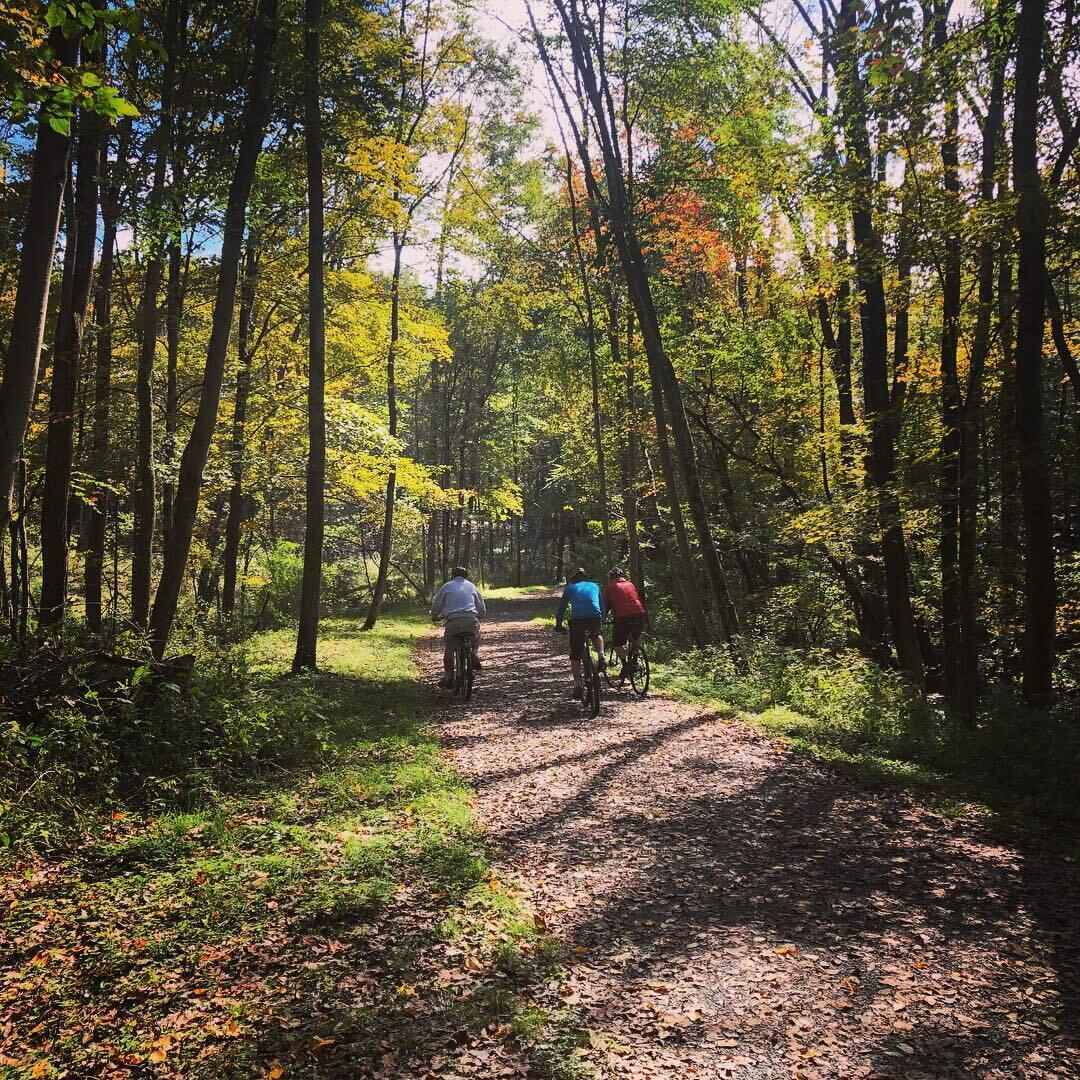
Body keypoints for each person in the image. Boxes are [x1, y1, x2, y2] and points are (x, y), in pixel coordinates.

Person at [554, 567, 606, 700]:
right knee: (596, 634)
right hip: (595, 617)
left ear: (574, 579)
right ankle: (601, 655)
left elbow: (561, 609)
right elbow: (602, 605)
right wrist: (602, 620)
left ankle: (578, 684)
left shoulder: (570, 588)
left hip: (578, 620)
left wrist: (559, 625)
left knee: (575, 654)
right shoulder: (595, 585)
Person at [431, 567, 485, 689]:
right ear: (466, 576)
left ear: (453, 576)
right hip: (470, 620)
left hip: (453, 622)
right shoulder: (472, 586)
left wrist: (435, 616)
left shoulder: (446, 586)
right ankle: (474, 653)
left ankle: (448, 676)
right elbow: (481, 607)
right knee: (475, 637)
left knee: (449, 648)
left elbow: (437, 604)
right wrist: (479, 616)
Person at [602, 567, 647, 676]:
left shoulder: (609, 587)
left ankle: (626, 665)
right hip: (639, 614)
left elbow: (605, 606)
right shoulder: (630, 584)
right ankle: (635, 661)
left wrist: (602, 619)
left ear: (611, 577)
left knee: (617, 643)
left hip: (623, 617)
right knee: (636, 638)